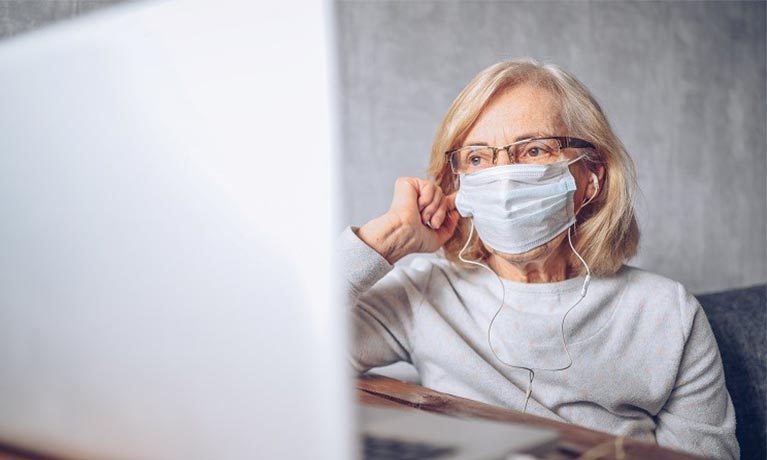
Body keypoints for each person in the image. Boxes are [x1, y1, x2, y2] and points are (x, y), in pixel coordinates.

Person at [341, 59, 739, 459]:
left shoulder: (667, 312)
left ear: (591, 179)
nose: (504, 178)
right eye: (478, 158)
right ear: (458, 185)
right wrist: (387, 239)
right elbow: (287, 349)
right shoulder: (425, 292)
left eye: (533, 149)